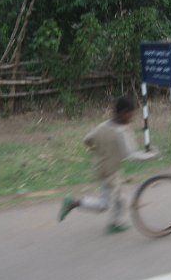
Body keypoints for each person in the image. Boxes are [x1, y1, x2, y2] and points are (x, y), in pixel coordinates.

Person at [58, 96, 158, 233]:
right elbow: (131, 155)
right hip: (110, 171)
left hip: (101, 167)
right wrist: (150, 155)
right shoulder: (121, 132)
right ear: (123, 113)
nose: (132, 117)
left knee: (120, 198)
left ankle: (115, 223)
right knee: (104, 205)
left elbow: (87, 140)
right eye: (131, 114)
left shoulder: (103, 126)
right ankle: (74, 203)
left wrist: (96, 149)